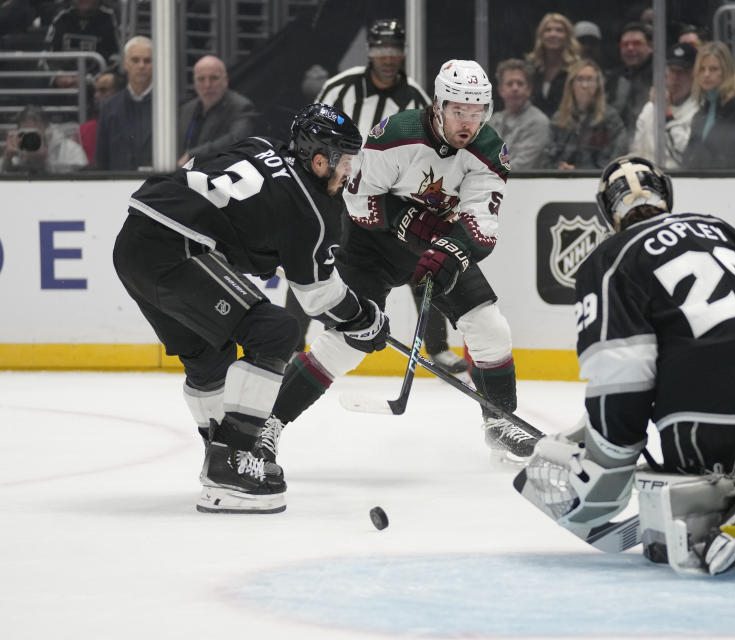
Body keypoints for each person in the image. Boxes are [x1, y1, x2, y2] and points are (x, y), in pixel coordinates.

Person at [519, 155, 735, 575]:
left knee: (681, 503)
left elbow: (622, 372)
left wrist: (610, 460)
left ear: (607, 210)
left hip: (713, 420)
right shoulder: (720, 229)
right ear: (667, 194)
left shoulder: (610, 258)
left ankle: (721, 520)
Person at [113, 103, 384, 514]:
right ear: (319, 159)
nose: (350, 171)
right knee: (274, 330)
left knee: (208, 356)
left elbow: (201, 173)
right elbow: (316, 295)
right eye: (346, 160)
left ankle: (220, 454)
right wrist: (363, 318)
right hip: (177, 247)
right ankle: (233, 463)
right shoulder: (312, 207)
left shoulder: (257, 145)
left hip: (133, 240)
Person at [264, 60, 534, 465]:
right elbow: (357, 201)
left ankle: (500, 421)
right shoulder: (396, 135)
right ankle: (266, 424)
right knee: (346, 343)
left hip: (434, 242)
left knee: (489, 327)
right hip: (371, 247)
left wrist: (449, 251)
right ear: (439, 106)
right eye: (459, 111)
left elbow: (480, 225)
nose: (468, 122)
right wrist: (410, 223)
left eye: (477, 112)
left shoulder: (490, 151)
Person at [309, 18, 465, 374]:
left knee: (420, 258)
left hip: (391, 198)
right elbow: (312, 130)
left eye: (394, 49)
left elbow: (436, 146)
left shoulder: (414, 97)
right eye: (381, 49)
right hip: (336, 191)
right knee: (313, 253)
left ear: (404, 52)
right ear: (370, 52)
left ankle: (437, 348)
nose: (388, 57)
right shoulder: (340, 88)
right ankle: (292, 344)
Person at [682, 41, 735, 170]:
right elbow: (689, 158)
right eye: (702, 69)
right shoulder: (700, 114)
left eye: (713, 69)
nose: (706, 74)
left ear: (726, 71)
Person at [544, 59, 628, 171]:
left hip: (596, 181)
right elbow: (546, 158)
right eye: (579, 79)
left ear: (598, 85)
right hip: (560, 181)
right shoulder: (558, 119)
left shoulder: (610, 118)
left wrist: (579, 170)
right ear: (571, 85)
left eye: (590, 80)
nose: (584, 85)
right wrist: (559, 167)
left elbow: (616, 160)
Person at [177, 55, 257, 167]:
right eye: (201, 79)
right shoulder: (186, 109)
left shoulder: (241, 106)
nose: (207, 85)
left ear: (226, 80)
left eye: (214, 78)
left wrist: (192, 155)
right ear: (194, 82)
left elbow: (236, 140)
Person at [630, 42, 698, 169]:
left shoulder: (698, 110)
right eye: (672, 71)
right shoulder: (650, 108)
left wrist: (667, 112)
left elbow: (685, 153)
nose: (676, 78)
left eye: (682, 72)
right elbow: (638, 149)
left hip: (681, 178)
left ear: (694, 75)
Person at [95, 35, 152, 170]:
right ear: (126, 64)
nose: (141, 65)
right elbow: (101, 158)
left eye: (147, 60)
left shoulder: (171, 106)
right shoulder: (109, 107)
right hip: (117, 186)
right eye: (135, 60)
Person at [488, 58, 550, 171]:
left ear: (529, 89)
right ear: (501, 90)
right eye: (509, 84)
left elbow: (520, 166)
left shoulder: (538, 122)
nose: (515, 88)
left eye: (520, 83)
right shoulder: (492, 121)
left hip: (527, 185)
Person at [44, 0, 120, 89]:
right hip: (63, 84)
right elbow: (47, 54)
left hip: (98, 85)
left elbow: (118, 57)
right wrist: (57, 76)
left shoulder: (112, 16)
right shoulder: (61, 15)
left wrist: (92, 78)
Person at [525, 12, 581, 120]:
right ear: (541, 36)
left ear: (568, 36)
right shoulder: (531, 69)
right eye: (548, 30)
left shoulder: (577, 69)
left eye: (559, 30)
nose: (553, 34)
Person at [1, 104, 87, 173]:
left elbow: (81, 181)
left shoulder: (71, 150)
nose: (30, 139)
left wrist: (46, 162)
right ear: (18, 133)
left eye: (34, 134)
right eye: (25, 133)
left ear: (48, 132)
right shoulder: (15, 150)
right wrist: (6, 160)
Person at [605, 22, 654, 140]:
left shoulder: (661, 76)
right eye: (625, 44)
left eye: (637, 43)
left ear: (650, 47)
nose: (630, 48)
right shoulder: (613, 78)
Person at [75, 70, 122, 164]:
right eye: (95, 91)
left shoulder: (131, 124)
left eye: (103, 90)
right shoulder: (83, 131)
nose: (96, 95)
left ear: (119, 93)